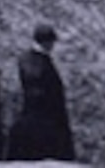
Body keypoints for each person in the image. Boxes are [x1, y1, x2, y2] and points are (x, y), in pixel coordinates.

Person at [9, 23, 75, 161]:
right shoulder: (43, 63)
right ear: (47, 42)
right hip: (46, 121)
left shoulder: (24, 59)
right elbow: (49, 94)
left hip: (28, 119)